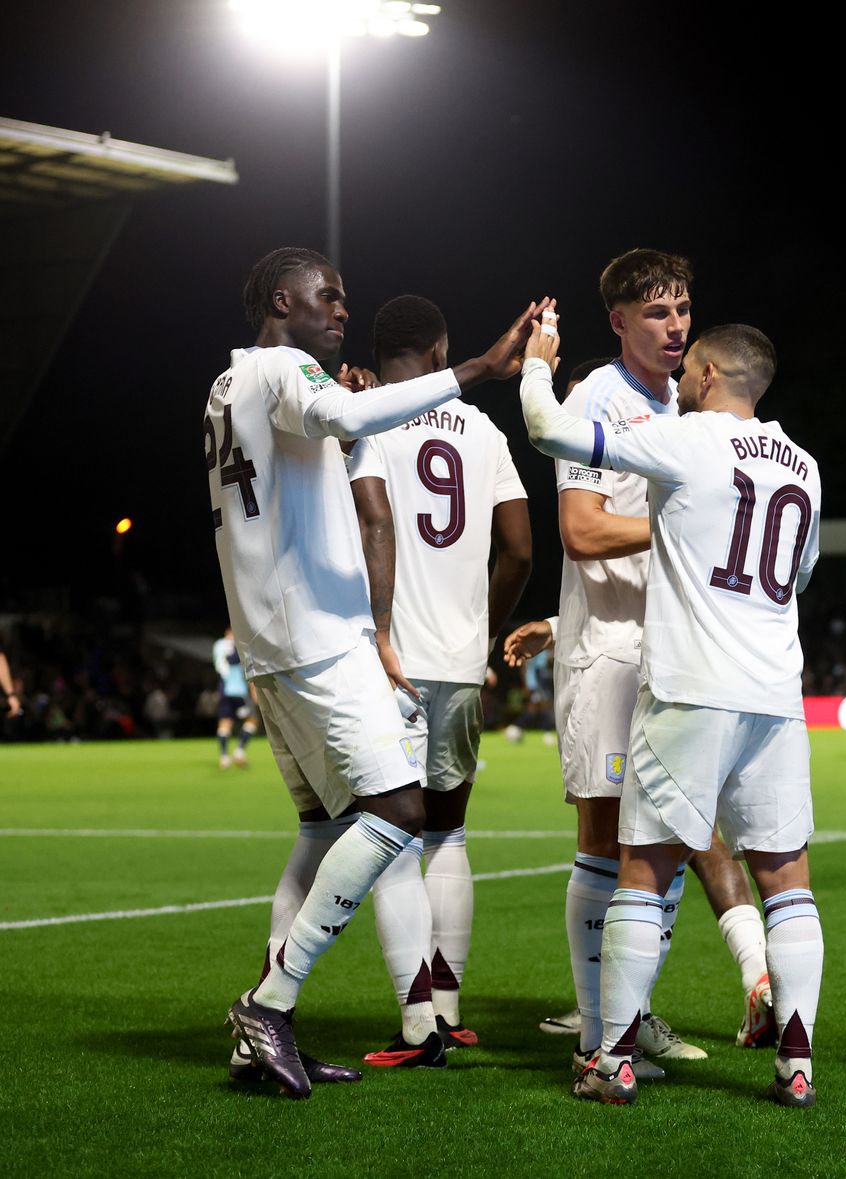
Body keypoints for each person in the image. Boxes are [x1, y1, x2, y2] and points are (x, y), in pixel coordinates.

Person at [210, 245, 537, 1098]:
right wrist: (475, 369)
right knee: (399, 810)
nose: (342, 309)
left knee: (322, 828)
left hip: (269, 643)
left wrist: (347, 399)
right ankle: (269, 1003)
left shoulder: (228, 384)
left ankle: (265, 1033)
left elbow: (320, 446)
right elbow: (347, 436)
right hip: (320, 640)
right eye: (328, 295)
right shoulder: (284, 369)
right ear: (283, 298)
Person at [520, 316, 822, 1108]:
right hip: (777, 696)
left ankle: (610, 1056)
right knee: (787, 880)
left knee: (643, 870)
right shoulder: (805, 466)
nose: (682, 377)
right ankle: (796, 1064)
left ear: (713, 372)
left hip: (691, 685)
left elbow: (551, 431)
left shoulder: (687, 439)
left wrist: (535, 369)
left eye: (692, 367)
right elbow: (798, 570)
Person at [344, 294, 533, 1067]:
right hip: (458, 663)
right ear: (440, 351)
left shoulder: (362, 415)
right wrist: (479, 634)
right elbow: (520, 548)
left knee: (389, 836)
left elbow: (360, 524)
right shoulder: (483, 431)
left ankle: (418, 1024)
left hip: (384, 657)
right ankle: (449, 1006)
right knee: (449, 831)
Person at [213, 626, 259, 768]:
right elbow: (248, 670)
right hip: (239, 692)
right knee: (252, 720)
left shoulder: (218, 645)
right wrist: (254, 692)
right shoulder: (240, 646)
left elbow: (219, 666)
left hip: (224, 692)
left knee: (225, 724)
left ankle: (224, 757)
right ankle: (239, 751)